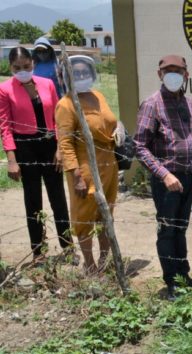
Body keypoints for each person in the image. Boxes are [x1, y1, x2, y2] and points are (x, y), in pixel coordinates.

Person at [134, 54, 192, 299]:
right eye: (168, 71)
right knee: (167, 229)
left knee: (180, 227)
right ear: (160, 75)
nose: (173, 75)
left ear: (186, 74)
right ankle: (172, 281)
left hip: (188, 176)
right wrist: (164, 174)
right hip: (167, 180)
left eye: (178, 70)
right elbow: (140, 146)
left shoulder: (190, 104)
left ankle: (183, 274)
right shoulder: (152, 104)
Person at [0, 46, 72, 263]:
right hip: (25, 147)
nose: (22, 70)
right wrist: (12, 160)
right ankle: (39, 253)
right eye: (17, 67)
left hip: (50, 145)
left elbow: (58, 118)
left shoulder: (47, 84)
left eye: (26, 66)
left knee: (58, 198)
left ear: (33, 63)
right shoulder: (5, 89)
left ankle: (68, 249)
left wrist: (60, 148)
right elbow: (5, 126)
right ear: (10, 67)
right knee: (33, 201)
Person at [56, 55, 123, 273]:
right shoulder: (66, 104)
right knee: (85, 217)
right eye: (76, 74)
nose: (82, 77)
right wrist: (76, 176)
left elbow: (109, 120)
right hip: (84, 170)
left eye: (85, 72)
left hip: (109, 166)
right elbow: (65, 143)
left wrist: (119, 127)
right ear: (68, 77)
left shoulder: (98, 96)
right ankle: (90, 264)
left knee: (106, 215)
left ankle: (104, 260)